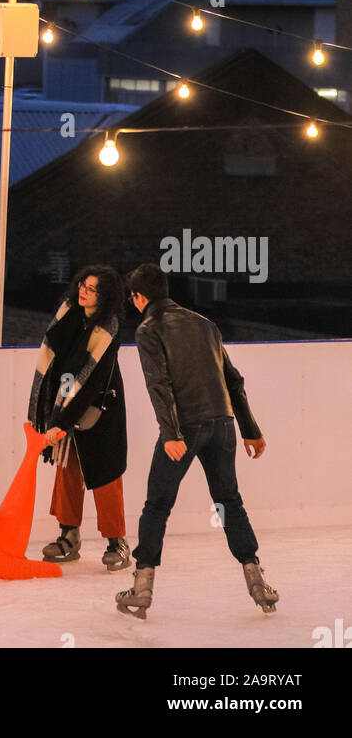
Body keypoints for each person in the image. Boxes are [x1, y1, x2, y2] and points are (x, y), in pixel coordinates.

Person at [116, 263, 278, 619]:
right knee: (228, 501)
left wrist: (171, 434)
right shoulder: (205, 324)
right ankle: (257, 582)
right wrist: (250, 429)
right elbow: (233, 381)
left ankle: (142, 588)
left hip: (186, 427)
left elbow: (158, 384)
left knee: (157, 504)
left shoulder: (148, 328)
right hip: (222, 425)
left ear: (139, 297)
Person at [28, 265, 130, 571]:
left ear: (106, 296)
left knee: (105, 476)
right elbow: (54, 362)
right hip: (65, 405)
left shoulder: (107, 329)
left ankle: (117, 542)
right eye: (83, 285)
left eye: (92, 289)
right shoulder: (69, 315)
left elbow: (89, 383)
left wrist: (61, 421)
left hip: (100, 409)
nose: (83, 291)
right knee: (68, 471)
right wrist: (55, 416)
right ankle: (68, 536)